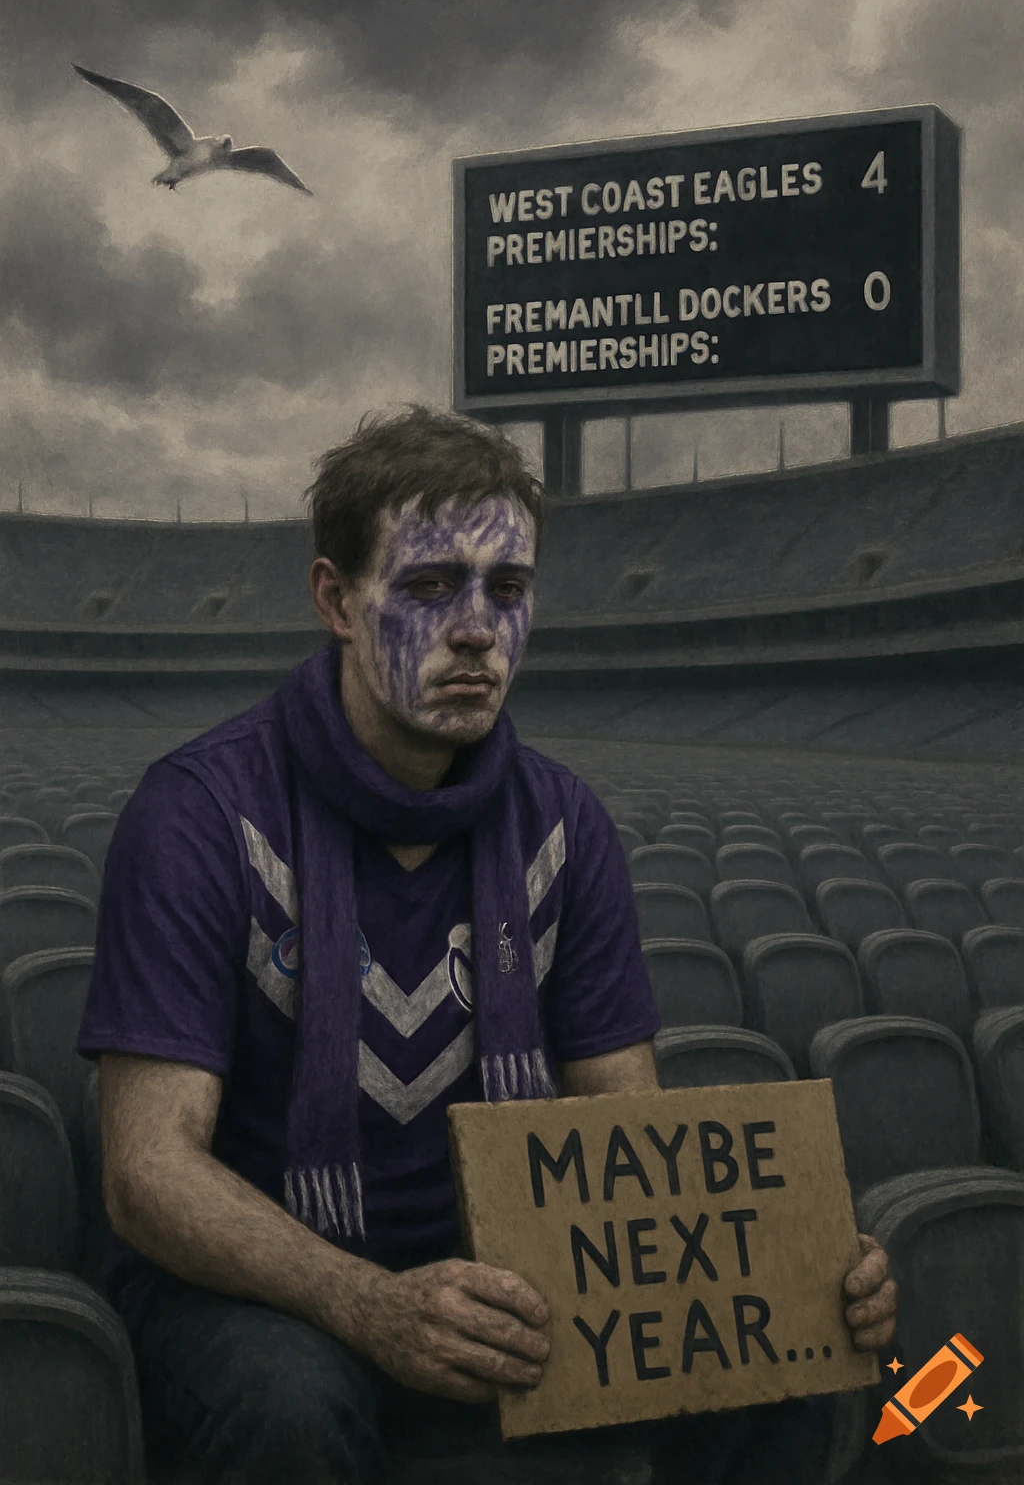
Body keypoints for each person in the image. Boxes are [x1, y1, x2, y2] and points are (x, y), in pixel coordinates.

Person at [76, 405, 897, 1485]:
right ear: (335, 599)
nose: (475, 628)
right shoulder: (196, 812)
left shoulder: (565, 823)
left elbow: (624, 1128)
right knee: (292, 1406)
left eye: (506, 589)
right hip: (263, 1290)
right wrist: (366, 1301)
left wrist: (782, 1271)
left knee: (794, 1369)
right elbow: (146, 1173)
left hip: (505, 1270)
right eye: (429, 586)